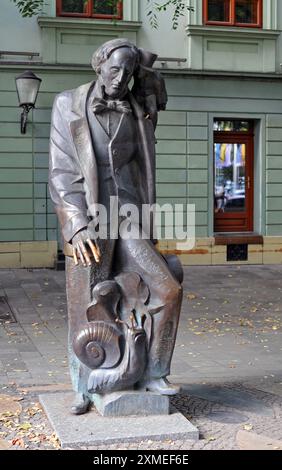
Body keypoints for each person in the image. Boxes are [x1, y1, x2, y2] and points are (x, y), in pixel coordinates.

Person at [49, 38, 182, 415]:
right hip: (89, 221)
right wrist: (75, 226)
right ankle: (83, 385)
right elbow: (62, 173)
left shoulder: (140, 109)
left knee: (168, 290)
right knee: (85, 303)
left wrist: (144, 73)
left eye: (128, 72)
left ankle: (155, 370)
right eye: (114, 69)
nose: (120, 79)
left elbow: (156, 87)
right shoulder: (68, 105)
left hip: (129, 218)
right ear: (98, 65)